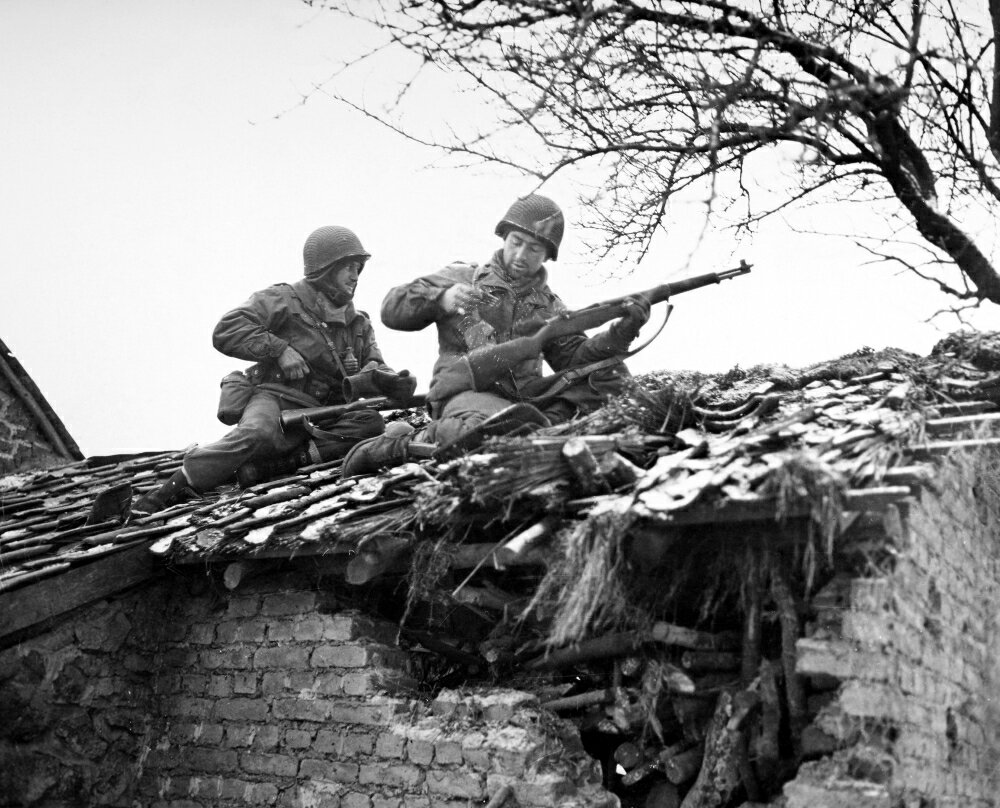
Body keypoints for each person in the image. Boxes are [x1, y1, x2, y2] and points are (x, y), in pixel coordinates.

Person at [340, 193, 650, 477]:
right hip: (466, 393)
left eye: (534, 248)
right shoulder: (464, 277)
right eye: (516, 241)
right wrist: (441, 298)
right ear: (504, 237)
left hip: (526, 401)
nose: (521, 254)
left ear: (547, 255)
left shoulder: (550, 306)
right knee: (483, 428)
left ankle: (539, 432)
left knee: (611, 382)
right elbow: (391, 309)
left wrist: (621, 332)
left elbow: (574, 359)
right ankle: (404, 442)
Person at [131, 225, 416, 517]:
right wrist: (279, 350)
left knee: (369, 424)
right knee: (257, 433)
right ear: (326, 269)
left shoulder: (359, 324)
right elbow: (228, 329)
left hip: (327, 411)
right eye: (348, 268)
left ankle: (277, 466)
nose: (355, 277)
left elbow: (376, 365)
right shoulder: (284, 299)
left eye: (358, 268)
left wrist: (390, 381)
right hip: (276, 397)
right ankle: (167, 491)